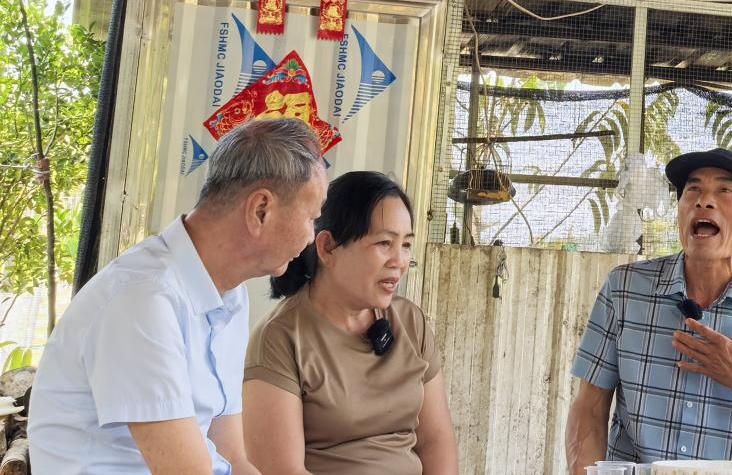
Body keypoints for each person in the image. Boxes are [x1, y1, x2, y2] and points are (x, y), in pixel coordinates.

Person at [29, 118, 328, 475]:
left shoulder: (229, 296)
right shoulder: (144, 299)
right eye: (312, 217)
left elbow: (233, 457)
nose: (311, 238)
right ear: (260, 210)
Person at [566, 148, 732, 471]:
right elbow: (589, 408)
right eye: (693, 190)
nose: (704, 201)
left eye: (724, 190)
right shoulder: (624, 290)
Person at [243, 170, 458, 475]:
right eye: (384, 243)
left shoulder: (410, 322)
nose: (399, 261)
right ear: (328, 247)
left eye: (406, 245)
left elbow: (436, 439)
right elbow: (282, 469)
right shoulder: (280, 339)